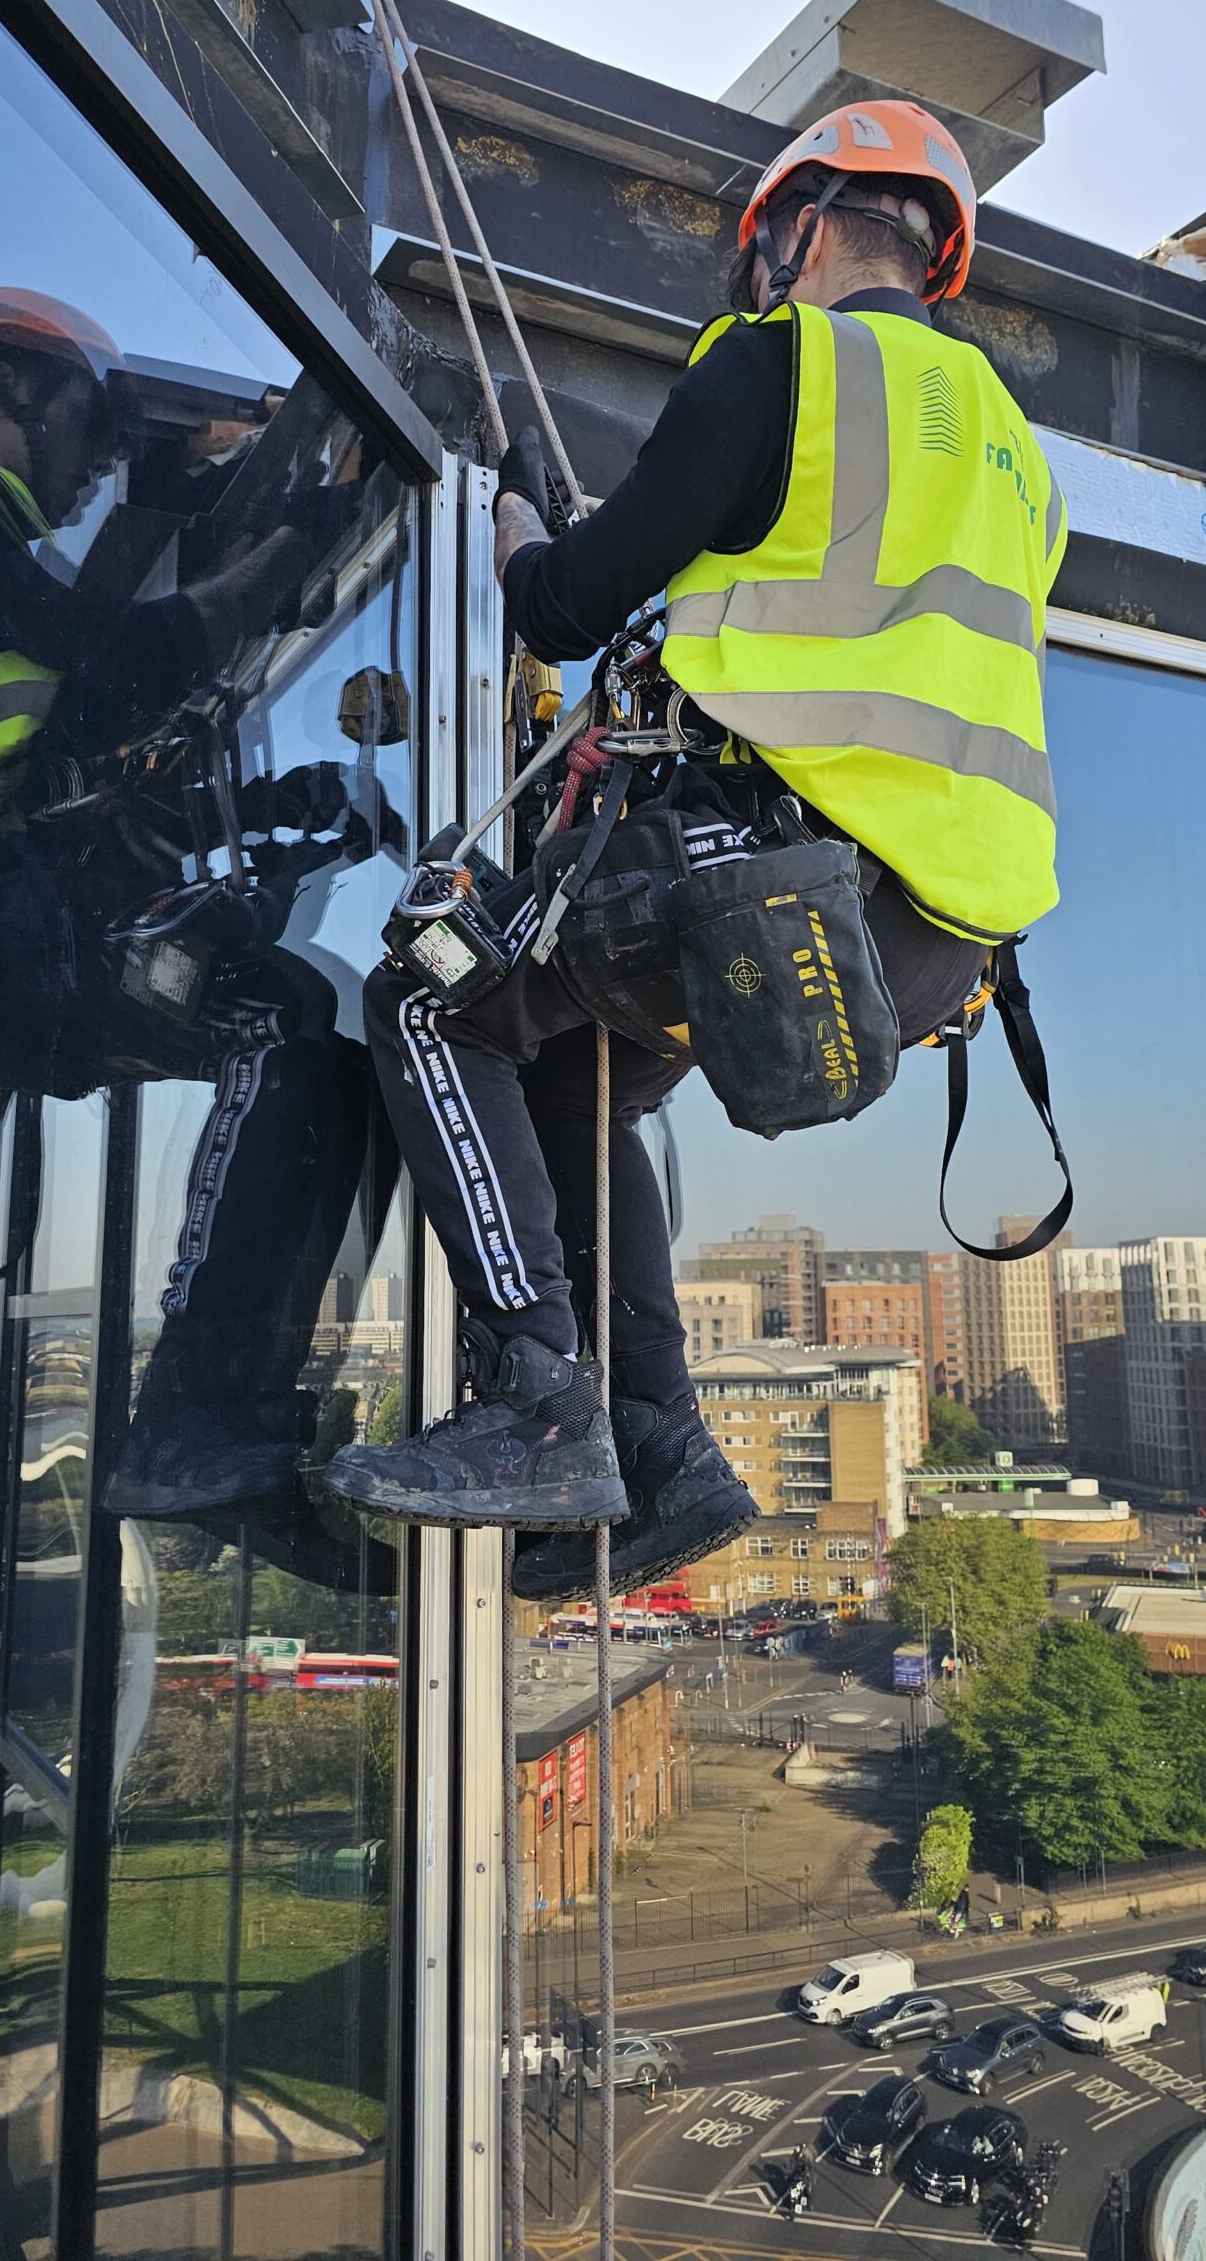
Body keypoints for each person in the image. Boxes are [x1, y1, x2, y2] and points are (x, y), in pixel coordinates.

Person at [324, 99, 1066, 1595]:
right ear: (933, 256)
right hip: (929, 956)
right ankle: (665, 1451)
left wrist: (520, 525)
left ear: (800, 225)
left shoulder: (783, 362)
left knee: (429, 997)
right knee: (579, 1083)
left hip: (763, 890)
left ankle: (538, 1396)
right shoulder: (1019, 461)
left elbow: (559, 609)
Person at [0, 288, 378, 1539]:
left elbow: (63, 751)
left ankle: (220, 1432)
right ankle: (198, 1428)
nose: (102, 456)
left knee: (307, 1033)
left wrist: (269, 802)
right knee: (286, 1022)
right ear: (1, 388)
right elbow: (112, 669)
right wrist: (300, 540)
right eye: (95, 415)